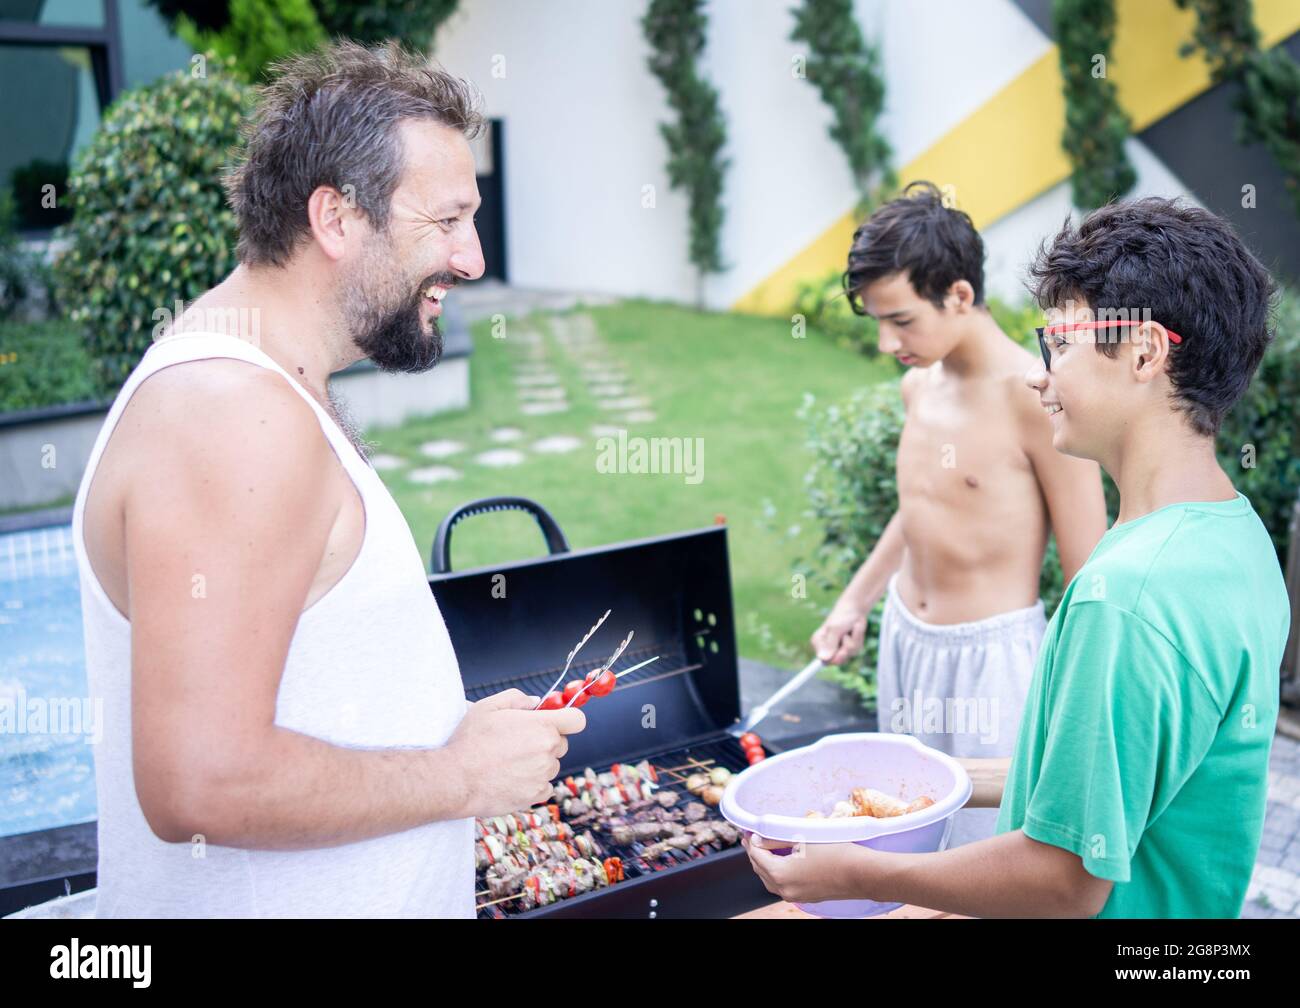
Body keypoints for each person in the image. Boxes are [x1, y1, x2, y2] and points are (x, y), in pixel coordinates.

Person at [73, 40, 583, 918]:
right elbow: (201, 783)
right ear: (337, 219)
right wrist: (458, 775)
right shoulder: (235, 414)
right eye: (447, 221)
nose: (471, 260)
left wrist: (450, 733)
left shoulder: (267, 387)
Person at [749, 196, 1289, 917]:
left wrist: (858, 876)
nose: (1041, 375)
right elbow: (1107, 782)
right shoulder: (1237, 538)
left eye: (1058, 345)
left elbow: (1063, 883)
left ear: (1145, 351)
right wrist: (927, 779)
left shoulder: (1123, 600)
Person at [811, 181, 1108, 846]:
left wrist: (1075, 702)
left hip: (993, 666)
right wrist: (854, 602)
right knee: (906, 835)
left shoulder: (1037, 398)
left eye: (902, 320)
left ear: (960, 296)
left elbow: (1090, 569)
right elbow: (919, 508)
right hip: (906, 641)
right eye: (878, 322)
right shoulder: (920, 384)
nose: (888, 343)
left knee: (981, 856)